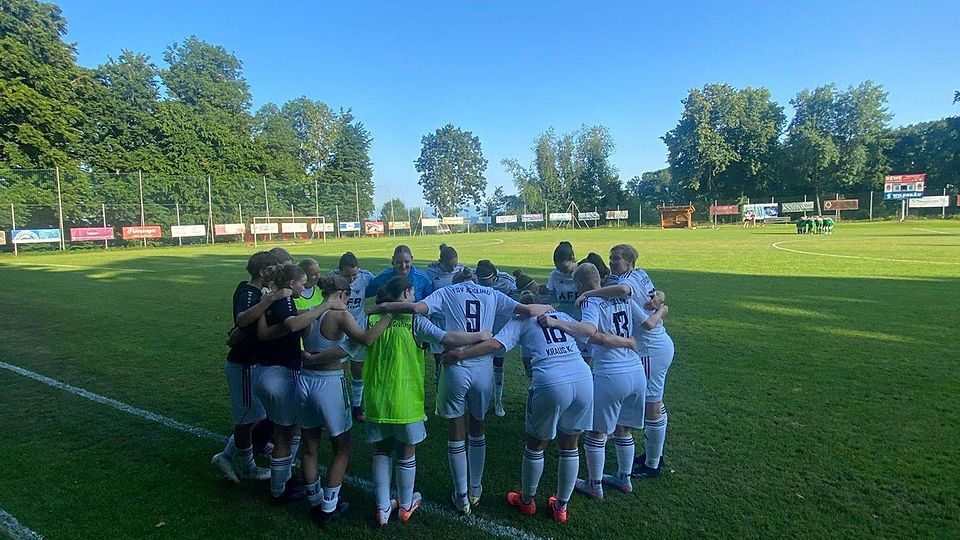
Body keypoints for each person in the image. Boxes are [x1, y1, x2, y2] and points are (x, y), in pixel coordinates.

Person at [371, 269, 553, 515]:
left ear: (456, 281)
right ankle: (476, 488)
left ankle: (462, 495)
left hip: (455, 366)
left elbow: (415, 309)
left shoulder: (447, 291)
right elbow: (528, 310)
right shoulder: (491, 293)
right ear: (474, 281)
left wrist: (384, 306)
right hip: (483, 367)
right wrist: (548, 308)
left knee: (456, 431)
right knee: (478, 428)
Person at [441, 304, 635, 523]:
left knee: (536, 444)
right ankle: (561, 506)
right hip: (582, 377)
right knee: (570, 444)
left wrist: (459, 355)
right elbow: (591, 337)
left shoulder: (521, 319)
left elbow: (495, 345)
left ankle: (527, 500)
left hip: (551, 380)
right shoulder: (561, 315)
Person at [360, 276, 492, 526]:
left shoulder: (371, 319)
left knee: (381, 449)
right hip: (406, 401)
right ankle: (405, 504)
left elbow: (356, 348)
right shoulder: (415, 321)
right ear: (407, 293)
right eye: (412, 294)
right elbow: (447, 338)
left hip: (376, 399)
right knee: (406, 451)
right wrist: (480, 335)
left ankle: (382, 507)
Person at [541, 263, 668, 499]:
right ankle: (624, 478)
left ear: (579, 284)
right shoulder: (623, 298)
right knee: (623, 428)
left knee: (596, 433)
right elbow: (648, 322)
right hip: (636, 370)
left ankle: (594, 484)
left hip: (611, 373)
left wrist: (556, 323)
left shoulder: (590, 301)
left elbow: (588, 330)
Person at [297, 275, 394, 525]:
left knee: (309, 445)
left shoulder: (310, 312)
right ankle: (329, 507)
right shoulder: (340, 315)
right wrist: (388, 316)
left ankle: (314, 499)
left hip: (304, 381)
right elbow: (367, 339)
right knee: (343, 447)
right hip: (329, 382)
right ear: (343, 294)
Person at [577, 244, 674, 478]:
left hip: (649, 348)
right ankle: (653, 455)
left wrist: (589, 293)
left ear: (629, 262)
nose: (612, 263)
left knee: (653, 406)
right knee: (654, 403)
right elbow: (657, 295)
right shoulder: (641, 274)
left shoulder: (626, 282)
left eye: (616, 259)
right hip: (657, 342)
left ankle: (653, 463)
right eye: (610, 258)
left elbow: (624, 291)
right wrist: (661, 304)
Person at [255, 263, 344, 503]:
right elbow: (293, 324)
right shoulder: (285, 301)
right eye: (302, 284)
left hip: (261, 371)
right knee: (284, 435)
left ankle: (285, 480)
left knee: (284, 430)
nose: (305, 288)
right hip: (281, 373)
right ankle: (279, 490)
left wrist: (315, 308)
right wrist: (326, 305)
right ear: (291, 283)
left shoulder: (272, 299)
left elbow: (264, 333)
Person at [212, 251, 283, 484]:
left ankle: (226, 456)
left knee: (256, 416)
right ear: (263, 272)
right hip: (243, 364)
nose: (278, 272)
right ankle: (248, 467)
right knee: (246, 421)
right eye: (274, 268)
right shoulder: (248, 292)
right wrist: (268, 301)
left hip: (254, 363)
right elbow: (242, 320)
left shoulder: (257, 292)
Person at [330, 252, 375, 423]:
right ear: (339, 270)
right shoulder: (331, 279)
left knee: (358, 368)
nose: (351, 279)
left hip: (358, 327)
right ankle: (338, 405)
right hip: (338, 329)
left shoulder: (365, 277)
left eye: (354, 275)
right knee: (337, 368)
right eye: (347, 275)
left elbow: (381, 284)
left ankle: (357, 406)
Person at [475, 259, 520, 416]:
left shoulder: (507, 281)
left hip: (500, 326)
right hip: (482, 326)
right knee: (480, 362)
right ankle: (478, 398)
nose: (483, 285)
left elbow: (517, 299)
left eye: (486, 282)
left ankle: (498, 400)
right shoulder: (474, 276)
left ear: (494, 277)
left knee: (498, 363)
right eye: (481, 282)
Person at [424, 244, 467, 388]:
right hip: (438, 320)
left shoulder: (462, 270)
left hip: (455, 320)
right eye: (450, 266)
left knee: (455, 355)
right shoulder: (430, 272)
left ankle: (455, 383)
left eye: (455, 264)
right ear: (440, 262)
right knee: (439, 358)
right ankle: (439, 384)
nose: (453, 268)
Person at [367, 245, 433, 301]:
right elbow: (366, 292)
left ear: (412, 259)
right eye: (399, 262)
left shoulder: (423, 278)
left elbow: (431, 302)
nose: (403, 266)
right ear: (393, 260)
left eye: (406, 262)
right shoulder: (383, 277)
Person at [541, 241, 580, 319]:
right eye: (559, 268)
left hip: (580, 318)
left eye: (565, 268)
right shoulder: (555, 275)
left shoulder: (582, 272)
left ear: (572, 259)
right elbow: (551, 296)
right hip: (563, 317)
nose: (562, 272)